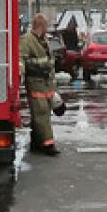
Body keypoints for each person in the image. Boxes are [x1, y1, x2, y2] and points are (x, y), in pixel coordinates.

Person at [20, 13, 60, 155]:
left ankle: (36, 143)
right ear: (41, 26)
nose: (47, 29)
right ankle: (48, 145)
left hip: (47, 84)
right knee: (41, 114)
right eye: (46, 26)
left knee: (42, 115)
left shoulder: (44, 40)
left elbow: (50, 61)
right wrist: (21, 73)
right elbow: (21, 59)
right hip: (36, 83)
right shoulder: (27, 40)